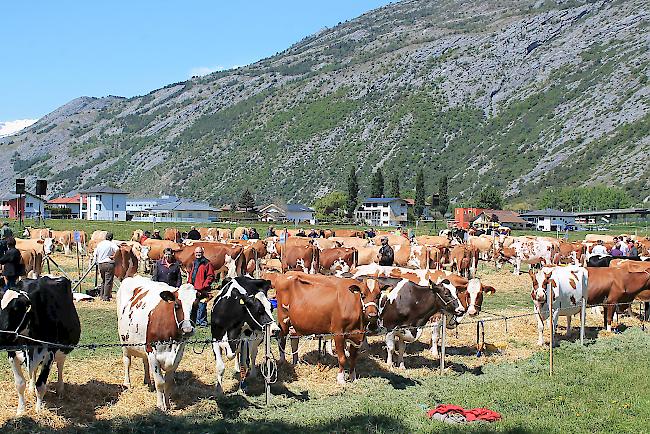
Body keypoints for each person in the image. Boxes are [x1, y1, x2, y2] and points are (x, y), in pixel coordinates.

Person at [187, 246, 215, 327]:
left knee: (202, 306)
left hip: (203, 289)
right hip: (194, 289)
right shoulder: (194, 262)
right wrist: (189, 283)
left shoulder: (207, 263)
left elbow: (211, 276)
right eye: (197, 253)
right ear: (194, 254)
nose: (198, 254)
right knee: (194, 305)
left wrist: (204, 285)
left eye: (200, 253)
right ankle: (195, 321)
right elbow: (191, 274)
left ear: (203, 253)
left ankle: (202, 322)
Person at [94, 232, 119, 301]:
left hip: (100, 264)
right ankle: (106, 297)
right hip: (108, 263)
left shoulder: (100, 244)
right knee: (108, 280)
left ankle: (101, 295)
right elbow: (118, 250)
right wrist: (114, 256)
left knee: (103, 280)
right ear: (111, 238)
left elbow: (95, 253)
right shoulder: (111, 244)